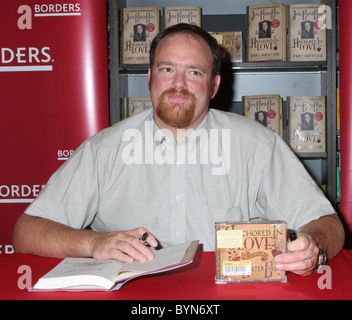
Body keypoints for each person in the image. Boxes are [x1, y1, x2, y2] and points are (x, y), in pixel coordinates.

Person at [12, 23, 344, 277]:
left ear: (214, 86)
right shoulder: (105, 149)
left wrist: (313, 249)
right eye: (167, 69)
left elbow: (327, 223)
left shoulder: (258, 145)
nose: (179, 84)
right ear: (149, 77)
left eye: (194, 73)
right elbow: (27, 231)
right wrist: (94, 243)